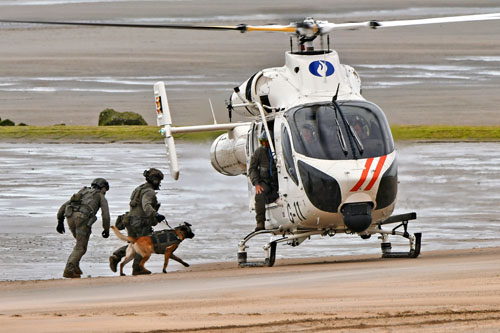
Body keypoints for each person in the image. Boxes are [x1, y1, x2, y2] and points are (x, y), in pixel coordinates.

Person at [109, 168, 166, 275]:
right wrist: (156, 214)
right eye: (159, 180)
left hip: (130, 220)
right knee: (142, 244)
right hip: (141, 222)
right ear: (154, 180)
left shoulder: (139, 188)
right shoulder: (149, 192)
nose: (159, 183)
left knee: (135, 243)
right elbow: (146, 206)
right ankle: (137, 268)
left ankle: (116, 256)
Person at [56, 178, 110, 278]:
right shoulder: (100, 196)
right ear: (103, 187)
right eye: (105, 189)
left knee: (80, 245)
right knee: (81, 247)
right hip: (82, 219)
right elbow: (105, 215)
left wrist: (60, 221)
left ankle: (76, 268)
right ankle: (70, 269)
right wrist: (106, 229)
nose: (105, 192)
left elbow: (65, 205)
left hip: (70, 216)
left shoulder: (83, 191)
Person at [248, 131, 279, 232]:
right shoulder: (259, 152)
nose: (264, 145)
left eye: (266, 142)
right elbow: (252, 169)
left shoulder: (279, 150)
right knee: (259, 194)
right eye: (262, 142)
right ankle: (260, 222)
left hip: (278, 183)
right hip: (265, 183)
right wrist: (256, 184)